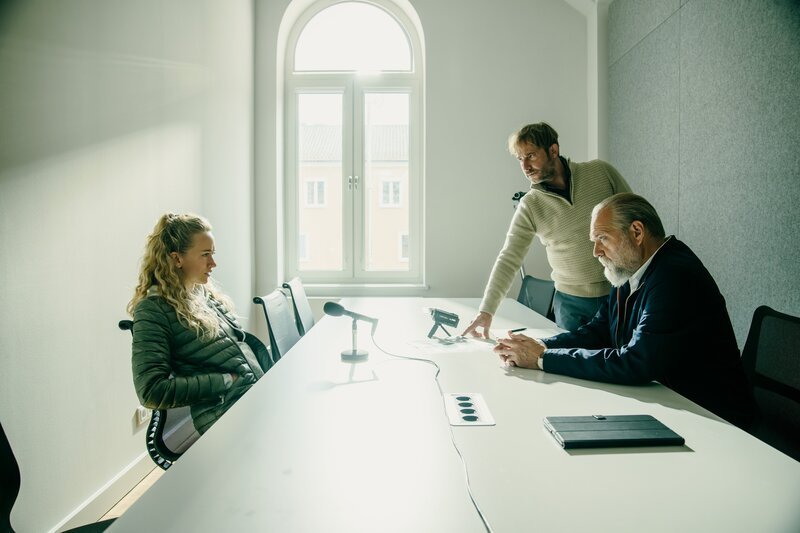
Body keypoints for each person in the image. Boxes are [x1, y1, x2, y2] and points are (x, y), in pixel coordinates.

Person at [493, 193, 756, 429]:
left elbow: (636, 362)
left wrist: (543, 359)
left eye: (602, 238)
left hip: (714, 421)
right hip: (667, 403)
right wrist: (541, 345)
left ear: (637, 232)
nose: (596, 251)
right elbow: (598, 331)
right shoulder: (629, 269)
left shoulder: (675, 275)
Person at [463, 122, 631, 336]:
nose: (525, 166)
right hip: (571, 306)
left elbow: (638, 219)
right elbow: (509, 258)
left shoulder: (600, 172)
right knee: (573, 367)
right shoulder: (530, 205)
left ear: (553, 150)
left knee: (622, 362)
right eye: (520, 159)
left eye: (531, 155)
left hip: (619, 293)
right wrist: (486, 311)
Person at [127, 213, 268, 435]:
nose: (213, 263)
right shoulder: (153, 310)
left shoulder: (201, 293)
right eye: (205, 255)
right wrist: (224, 381)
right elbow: (151, 391)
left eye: (212, 254)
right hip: (227, 419)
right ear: (176, 259)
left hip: (252, 404)